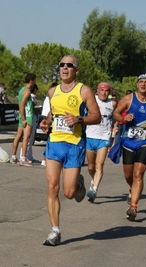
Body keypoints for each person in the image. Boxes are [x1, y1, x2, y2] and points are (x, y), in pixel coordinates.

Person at [40, 55, 101, 246]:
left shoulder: (84, 91)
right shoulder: (52, 92)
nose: (65, 68)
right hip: (54, 143)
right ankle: (55, 231)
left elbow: (97, 116)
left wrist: (79, 119)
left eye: (69, 65)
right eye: (62, 65)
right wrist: (46, 122)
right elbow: (54, 113)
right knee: (52, 187)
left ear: (76, 69)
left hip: (75, 144)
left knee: (68, 192)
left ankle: (79, 186)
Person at [113, 74, 146, 221]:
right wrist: (123, 119)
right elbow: (116, 113)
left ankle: (133, 207)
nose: (143, 84)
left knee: (138, 174)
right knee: (128, 175)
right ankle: (133, 189)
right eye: (141, 82)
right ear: (137, 84)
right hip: (129, 141)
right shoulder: (129, 99)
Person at [85, 82, 116, 203]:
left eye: (106, 91)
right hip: (90, 136)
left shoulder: (112, 103)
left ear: (109, 92)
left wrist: (116, 127)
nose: (104, 93)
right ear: (97, 90)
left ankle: (95, 189)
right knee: (91, 166)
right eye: (101, 90)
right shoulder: (91, 100)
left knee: (99, 165)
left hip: (104, 137)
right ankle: (94, 180)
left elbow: (117, 116)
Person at [10, 73, 36, 166]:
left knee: (18, 136)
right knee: (26, 137)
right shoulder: (27, 91)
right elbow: (21, 104)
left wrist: (21, 117)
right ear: (31, 80)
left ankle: (13, 157)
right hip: (27, 116)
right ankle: (23, 158)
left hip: (22, 116)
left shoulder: (21, 90)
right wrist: (24, 119)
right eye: (34, 80)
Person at [40, 82, 58, 167]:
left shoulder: (58, 98)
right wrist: (46, 122)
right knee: (50, 142)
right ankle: (45, 159)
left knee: (52, 142)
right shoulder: (48, 99)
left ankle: (49, 159)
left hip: (56, 123)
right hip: (50, 122)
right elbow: (46, 112)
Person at [24, 83, 40, 163]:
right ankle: (25, 156)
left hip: (34, 118)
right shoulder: (31, 97)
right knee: (28, 138)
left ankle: (29, 156)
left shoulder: (33, 97)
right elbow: (32, 108)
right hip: (31, 118)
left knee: (31, 139)